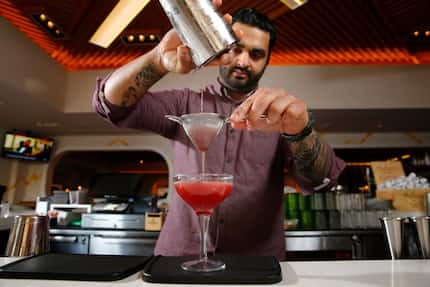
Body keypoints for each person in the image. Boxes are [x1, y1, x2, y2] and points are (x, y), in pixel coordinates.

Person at [93, 3, 345, 260]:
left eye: (256, 54)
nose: (242, 61)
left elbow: (320, 180)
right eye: (235, 49)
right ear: (221, 49)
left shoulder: (277, 116)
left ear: (268, 60)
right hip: (180, 256)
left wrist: (300, 131)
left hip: (255, 260)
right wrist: (157, 60)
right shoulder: (185, 103)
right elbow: (112, 106)